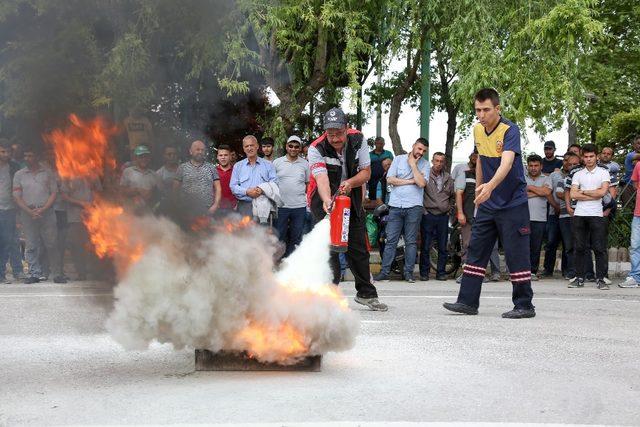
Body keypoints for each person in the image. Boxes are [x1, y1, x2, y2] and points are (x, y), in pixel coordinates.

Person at [443, 88, 535, 319]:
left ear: (497, 109)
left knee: (516, 253)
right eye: (477, 110)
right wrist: (480, 193)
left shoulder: (510, 130)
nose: (481, 115)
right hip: (488, 203)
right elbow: (482, 160)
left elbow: (506, 163)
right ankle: (467, 302)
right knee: (476, 249)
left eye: (485, 110)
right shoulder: (477, 130)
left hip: (513, 202)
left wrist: (490, 187)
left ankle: (524, 305)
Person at [307, 107, 387, 311]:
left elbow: (366, 173)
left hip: (352, 198)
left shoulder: (358, 139)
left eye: (339, 133)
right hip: (323, 201)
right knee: (329, 249)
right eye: (330, 134)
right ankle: (328, 296)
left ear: (346, 128)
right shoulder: (316, 148)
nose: (334, 138)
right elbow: (321, 178)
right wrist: (327, 200)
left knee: (358, 248)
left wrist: (350, 183)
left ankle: (366, 294)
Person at [373, 138, 429, 283]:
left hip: (414, 207)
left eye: (423, 151)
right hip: (396, 205)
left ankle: (409, 273)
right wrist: (411, 181)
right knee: (390, 240)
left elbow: (422, 183)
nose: (421, 153)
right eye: (419, 149)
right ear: (413, 146)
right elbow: (390, 179)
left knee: (411, 242)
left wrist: (413, 166)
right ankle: (385, 272)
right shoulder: (397, 159)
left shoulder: (425, 164)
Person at [12, 147, 63, 284]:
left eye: (31, 155)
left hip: (47, 213)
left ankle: (57, 273)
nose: (27, 158)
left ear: (37, 157)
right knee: (31, 245)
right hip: (27, 213)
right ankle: (34, 273)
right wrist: (30, 211)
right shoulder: (19, 174)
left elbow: (54, 193)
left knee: (51, 243)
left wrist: (43, 209)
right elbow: (17, 196)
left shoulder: (47, 173)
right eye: (26, 156)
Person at [568, 144, 610, 290]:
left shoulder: (603, 173)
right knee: (579, 247)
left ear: (596, 156)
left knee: (599, 248)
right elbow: (573, 194)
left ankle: (601, 279)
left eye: (591, 156)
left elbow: (603, 193)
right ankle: (579, 278)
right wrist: (593, 193)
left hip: (597, 215)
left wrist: (583, 192)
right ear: (582, 158)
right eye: (586, 157)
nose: (589, 159)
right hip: (580, 214)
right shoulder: (577, 174)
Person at [543, 152, 579, 279]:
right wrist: (556, 206)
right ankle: (547, 271)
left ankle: (567, 271)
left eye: (574, 163)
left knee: (567, 244)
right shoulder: (555, 175)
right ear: (564, 162)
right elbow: (548, 193)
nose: (570, 164)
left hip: (573, 214)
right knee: (551, 242)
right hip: (555, 213)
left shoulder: (579, 176)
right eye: (566, 161)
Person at [420, 151, 454, 281]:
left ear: (444, 162)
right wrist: (424, 212)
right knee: (426, 245)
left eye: (441, 161)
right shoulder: (425, 175)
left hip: (443, 216)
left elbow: (452, 196)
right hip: (428, 214)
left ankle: (441, 272)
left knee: (443, 246)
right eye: (436, 161)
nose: (439, 163)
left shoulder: (448, 177)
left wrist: (449, 209)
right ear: (432, 161)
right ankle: (424, 273)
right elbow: (419, 194)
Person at [273, 135, 310, 257]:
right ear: (286, 147)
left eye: (296, 146)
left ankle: (291, 263)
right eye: (291, 146)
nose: (293, 149)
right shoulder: (277, 162)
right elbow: (272, 184)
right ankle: (278, 263)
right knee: (279, 237)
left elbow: (308, 183)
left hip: (299, 206)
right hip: (280, 206)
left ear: (300, 148)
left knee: (296, 237)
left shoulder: (305, 164)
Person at [60, 176, 101, 280]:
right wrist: (81, 203)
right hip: (75, 217)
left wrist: (92, 204)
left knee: (95, 245)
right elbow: (64, 196)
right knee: (77, 246)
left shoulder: (93, 174)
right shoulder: (68, 174)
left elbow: (98, 192)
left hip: (93, 216)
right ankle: (81, 273)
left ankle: (96, 273)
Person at [230, 135, 278, 218]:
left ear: (257, 146)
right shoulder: (238, 166)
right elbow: (233, 186)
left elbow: (275, 183)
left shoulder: (269, 165)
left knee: (262, 230)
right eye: (246, 146)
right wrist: (247, 191)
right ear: (244, 149)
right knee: (243, 230)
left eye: (251, 145)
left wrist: (262, 190)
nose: (249, 148)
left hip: (263, 205)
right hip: (244, 206)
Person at [174, 140, 221, 220]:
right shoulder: (182, 168)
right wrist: (178, 206)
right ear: (190, 151)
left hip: (207, 210)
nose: (200, 152)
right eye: (197, 149)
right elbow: (175, 189)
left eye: (202, 150)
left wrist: (216, 205)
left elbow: (218, 188)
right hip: (187, 210)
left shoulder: (211, 168)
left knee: (208, 232)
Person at [525, 154, 553, 280]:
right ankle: (521, 271)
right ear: (527, 166)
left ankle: (532, 272)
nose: (533, 168)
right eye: (531, 165)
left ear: (541, 166)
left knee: (536, 246)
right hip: (523, 218)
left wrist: (529, 188)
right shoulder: (522, 177)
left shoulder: (547, 179)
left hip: (540, 219)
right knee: (522, 246)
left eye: (536, 165)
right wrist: (539, 192)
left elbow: (547, 192)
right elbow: (519, 195)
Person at [0, 140, 23, 283]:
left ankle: (18, 271)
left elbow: (20, 189)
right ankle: (1, 274)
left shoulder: (14, 167)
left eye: (8, 152)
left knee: (12, 241)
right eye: (2, 151)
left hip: (11, 209)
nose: (5, 154)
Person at [120, 145, 160, 212]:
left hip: (147, 213)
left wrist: (152, 193)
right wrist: (137, 190)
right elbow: (122, 191)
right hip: (130, 212)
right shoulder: (128, 171)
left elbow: (158, 195)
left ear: (149, 158)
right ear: (135, 158)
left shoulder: (154, 175)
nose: (144, 159)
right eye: (141, 157)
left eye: (146, 157)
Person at [620, 158, 640, 288]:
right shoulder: (638, 165)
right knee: (635, 246)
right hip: (638, 214)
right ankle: (635, 277)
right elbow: (635, 184)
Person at [368, 137, 394, 201]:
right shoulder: (369, 155)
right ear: (375, 144)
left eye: (381, 143)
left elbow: (393, 165)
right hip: (372, 180)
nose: (380, 145)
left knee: (385, 196)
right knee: (373, 198)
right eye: (378, 143)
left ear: (384, 144)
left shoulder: (388, 154)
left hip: (386, 179)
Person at [215, 144, 237, 213]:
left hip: (233, 209)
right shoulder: (213, 172)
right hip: (217, 209)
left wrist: (237, 204)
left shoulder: (236, 171)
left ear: (230, 157)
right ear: (217, 157)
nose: (223, 157)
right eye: (221, 155)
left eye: (226, 155)